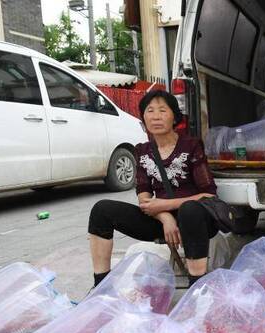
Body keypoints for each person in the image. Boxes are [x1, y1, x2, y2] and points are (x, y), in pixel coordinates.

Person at [87, 90, 219, 288]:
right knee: (101, 210)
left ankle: (197, 288)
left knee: (189, 209)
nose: (156, 116)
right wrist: (165, 217)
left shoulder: (191, 145)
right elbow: (144, 199)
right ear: (143, 118)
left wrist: (165, 204)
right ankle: (101, 286)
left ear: (175, 116)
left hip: (197, 220)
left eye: (162, 110)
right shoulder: (142, 151)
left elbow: (208, 194)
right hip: (160, 221)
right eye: (150, 111)